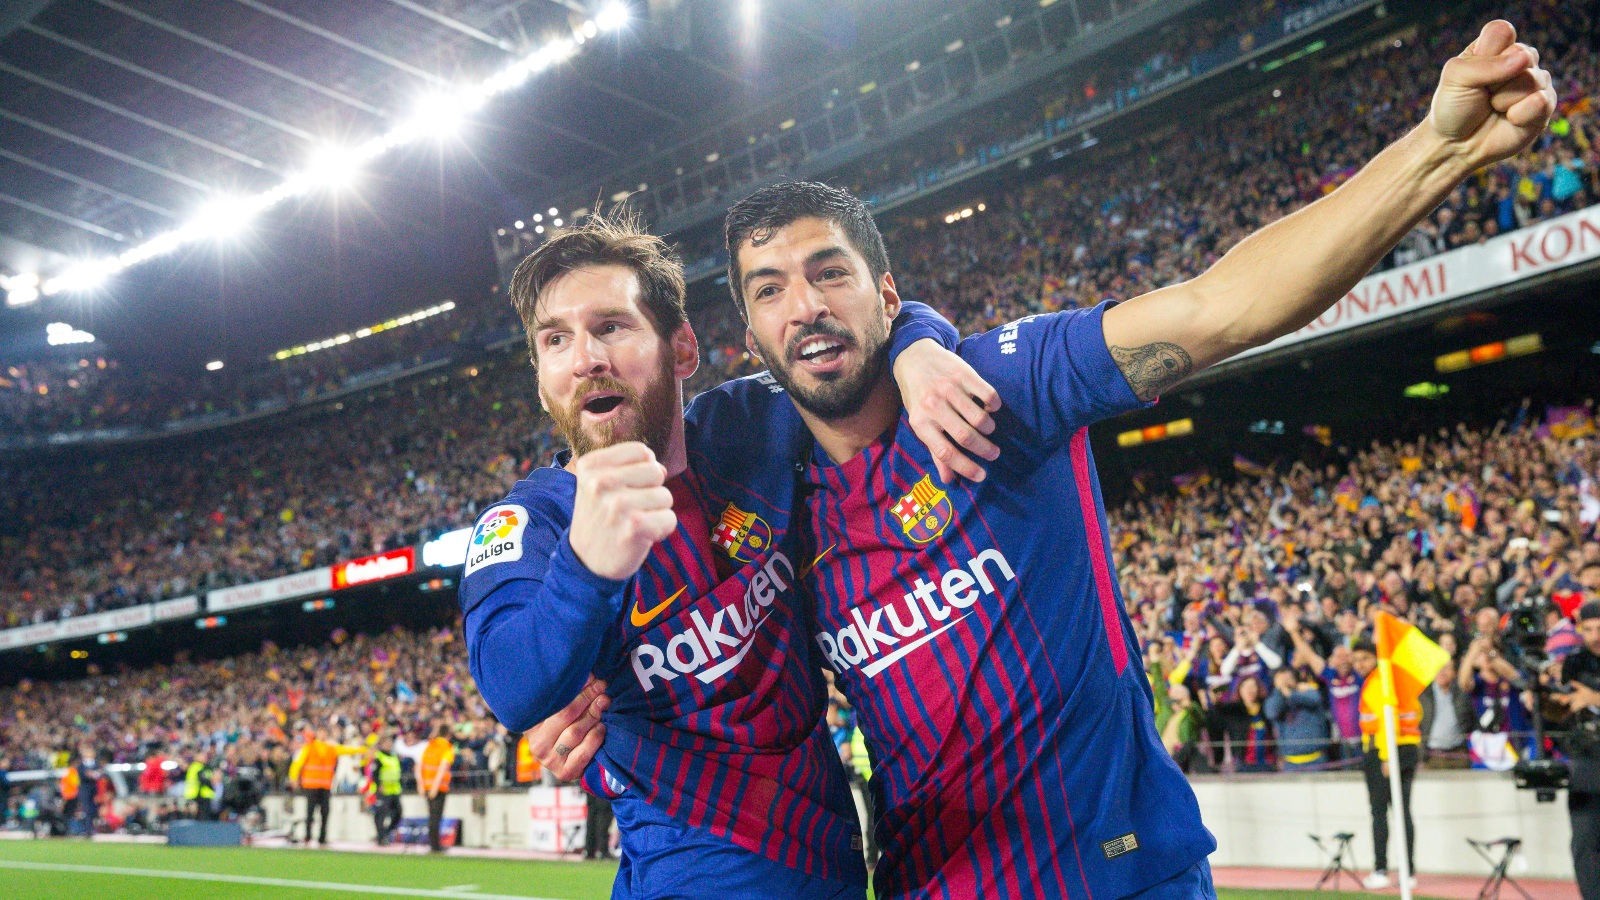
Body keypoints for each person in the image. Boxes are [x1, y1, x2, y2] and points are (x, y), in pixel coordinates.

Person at [545, 21, 1555, 896]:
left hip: (1121, 876)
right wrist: (590, 683)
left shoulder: (1008, 386)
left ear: (884, 295)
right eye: (767, 288)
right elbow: (626, 488)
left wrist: (1437, 149)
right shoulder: (762, 482)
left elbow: (1219, 306)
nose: (803, 303)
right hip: (930, 885)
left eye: (828, 272)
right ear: (749, 339)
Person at [460, 210, 980, 898]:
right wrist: (585, 570)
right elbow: (512, 682)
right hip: (690, 871)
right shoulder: (530, 524)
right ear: (541, 375)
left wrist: (917, 342)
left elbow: (858, 344)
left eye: (612, 326)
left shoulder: (752, 423)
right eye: (556, 339)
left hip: (836, 864)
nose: (586, 357)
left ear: (682, 348)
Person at [1354, 639, 1420, 890]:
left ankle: (1381, 870)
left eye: (1365, 659)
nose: (1360, 664)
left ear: (1375, 658)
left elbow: (1386, 718)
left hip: (1384, 751)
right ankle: (1408, 871)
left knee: (1379, 813)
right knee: (1402, 812)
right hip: (1407, 747)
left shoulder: (1377, 681)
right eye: (1357, 660)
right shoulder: (1394, 680)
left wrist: (1385, 756)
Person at [1556, 600, 1600, 900]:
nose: (1595, 635)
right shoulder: (1573, 663)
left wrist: (1593, 698)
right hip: (1586, 760)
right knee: (1584, 843)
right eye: (1589, 629)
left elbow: (1585, 698)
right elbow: (1566, 708)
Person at [287, 725, 367, 846]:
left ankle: (322, 837)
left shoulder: (331, 748)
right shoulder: (309, 747)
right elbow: (297, 763)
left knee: (325, 812)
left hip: (325, 785)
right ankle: (308, 836)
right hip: (311, 785)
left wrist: (363, 750)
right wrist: (293, 778)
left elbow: (346, 750)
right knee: (310, 812)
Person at [419, 724, 455, 853]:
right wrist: (435, 786)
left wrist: (421, 784)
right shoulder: (447, 748)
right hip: (438, 787)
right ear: (448, 734)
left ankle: (433, 844)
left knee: (431, 816)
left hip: (427, 785)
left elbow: (420, 765)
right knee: (436, 817)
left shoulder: (430, 745)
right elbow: (442, 768)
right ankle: (435, 846)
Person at [368, 732, 404, 846]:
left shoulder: (394, 756)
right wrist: (379, 785)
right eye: (386, 742)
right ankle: (381, 837)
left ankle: (386, 833)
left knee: (398, 813)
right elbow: (374, 773)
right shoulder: (379, 757)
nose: (389, 744)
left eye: (390, 742)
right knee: (381, 814)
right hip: (383, 791)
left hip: (395, 790)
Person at [182, 747, 216, 821]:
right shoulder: (198, 767)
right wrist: (212, 786)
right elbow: (203, 780)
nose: (205, 757)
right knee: (202, 817)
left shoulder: (198, 767)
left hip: (197, 795)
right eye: (203, 756)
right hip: (199, 795)